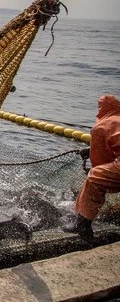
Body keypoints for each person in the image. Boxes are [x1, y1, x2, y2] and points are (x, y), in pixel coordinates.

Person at [63, 94, 120, 239]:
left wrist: (92, 155)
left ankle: (82, 225)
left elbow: (101, 162)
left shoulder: (101, 126)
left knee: (95, 177)